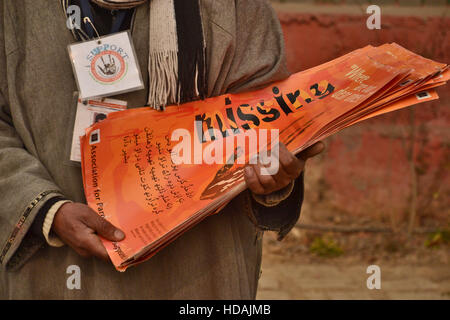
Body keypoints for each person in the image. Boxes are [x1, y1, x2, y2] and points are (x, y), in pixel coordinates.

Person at [0, 0, 323, 299]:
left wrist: (273, 170)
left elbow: (267, 120)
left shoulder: (235, 8)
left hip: (197, 272)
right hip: (54, 271)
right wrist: (48, 211)